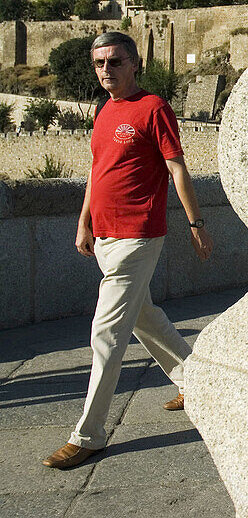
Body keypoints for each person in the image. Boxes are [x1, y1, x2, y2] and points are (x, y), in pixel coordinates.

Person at [43, 32, 214, 470]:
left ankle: (89, 434)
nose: (106, 70)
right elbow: (98, 171)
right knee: (143, 316)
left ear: (136, 64)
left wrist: (196, 223)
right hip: (104, 235)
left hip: (138, 235)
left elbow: (177, 167)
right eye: (99, 63)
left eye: (115, 62)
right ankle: (199, 381)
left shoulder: (153, 107)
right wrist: (84, 222)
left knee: (106, 334)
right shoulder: (104, 110)